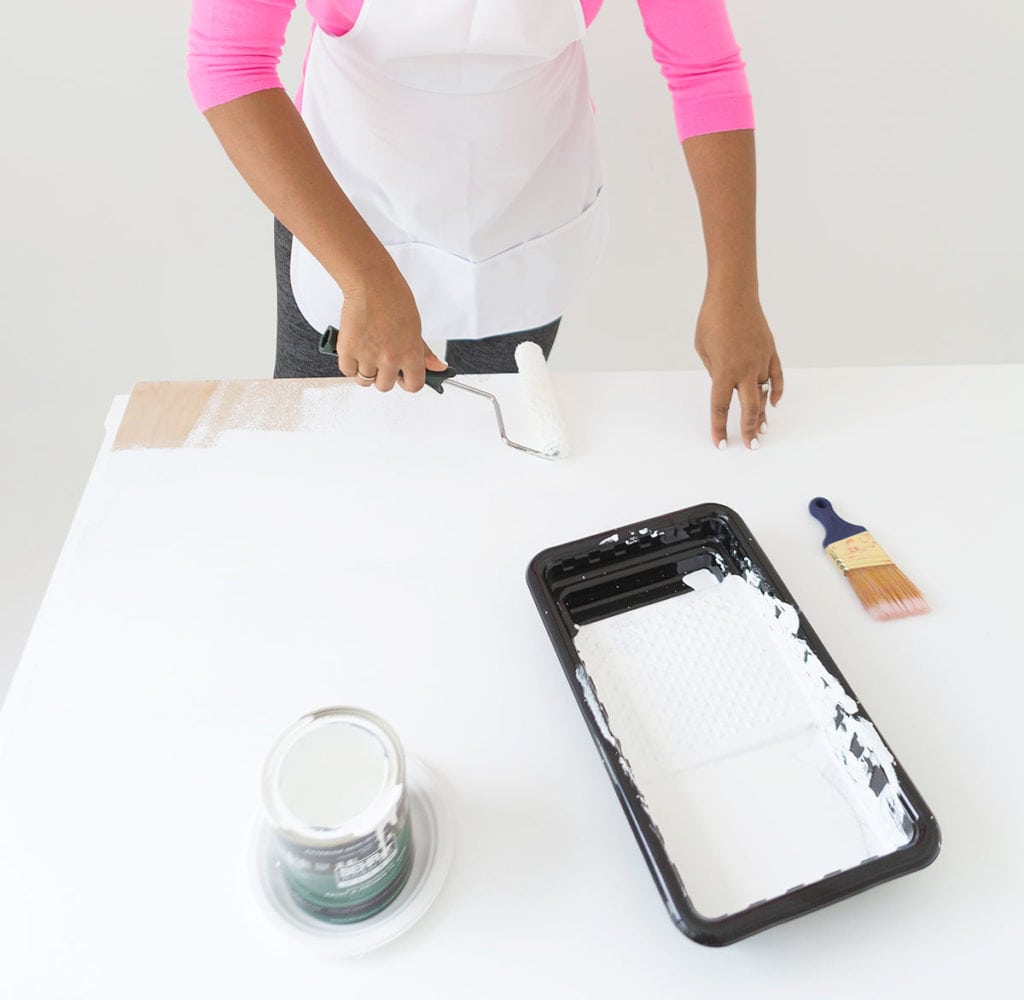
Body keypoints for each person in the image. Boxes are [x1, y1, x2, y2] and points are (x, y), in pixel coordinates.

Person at [187, 0, 784, 449]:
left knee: (490, 448)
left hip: (525, 211)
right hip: (345, 204)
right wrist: (365, 278)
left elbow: (705, 71)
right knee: (318, 453)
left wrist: (734, 289)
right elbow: (229, 62)